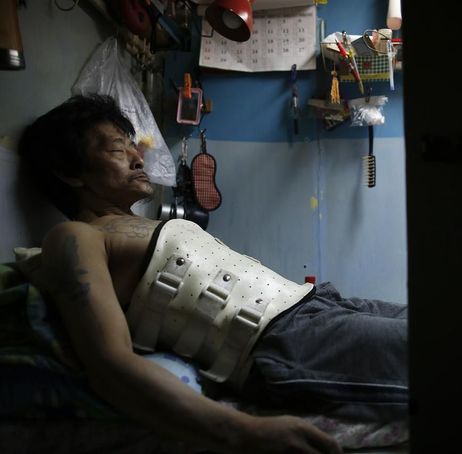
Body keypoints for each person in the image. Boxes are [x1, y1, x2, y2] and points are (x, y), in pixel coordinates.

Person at [15, 94, 408, 454]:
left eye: (133, 145)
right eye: (118, 149)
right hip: (284, 342)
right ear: (69, 173)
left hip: (318, 304)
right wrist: (244, 432)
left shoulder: (144, 224)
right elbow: (109, 365)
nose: (138, 158)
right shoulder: (75, 238)